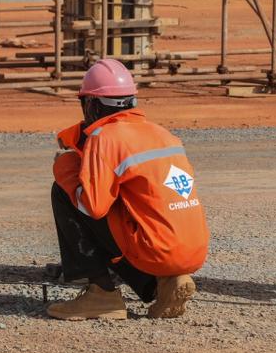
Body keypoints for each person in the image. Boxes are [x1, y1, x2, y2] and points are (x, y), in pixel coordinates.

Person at [47, 59, 209, 320]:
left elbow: (93, 208)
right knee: (135, 207)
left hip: (155, 251)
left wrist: (65, 168)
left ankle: (101, 294)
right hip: (191, 251)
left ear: (90, 104)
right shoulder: (163, 134)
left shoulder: (105, 137)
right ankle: (165, 283)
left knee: (64, 192)